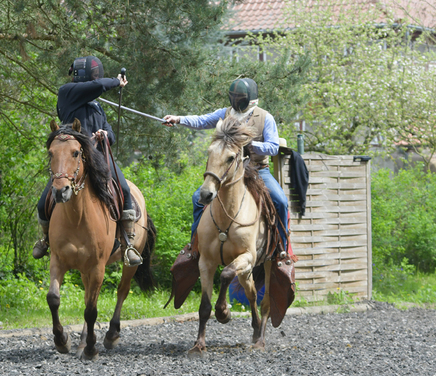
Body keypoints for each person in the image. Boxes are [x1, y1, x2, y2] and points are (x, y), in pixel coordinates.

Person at [32, 55, 142, 267]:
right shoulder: (67, 93)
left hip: (98, 158)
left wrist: (104, 135)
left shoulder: (96, 106)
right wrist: (116, 81)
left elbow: (110, 131)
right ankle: (46, 239)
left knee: (125, 190)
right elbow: (98, 85)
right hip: (72, 161)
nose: (95, 76)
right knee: (44, 200)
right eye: (93, 74)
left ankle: (127, 242)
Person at [162, 78, 289, 252]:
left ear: (249, 98)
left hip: (257, 170)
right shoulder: (226, 113)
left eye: (240, 97)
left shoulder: (265, 117)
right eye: (234, 97)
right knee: (196, 198)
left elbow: (273, 147)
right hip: (228, 171)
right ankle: (195, 245)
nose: (236, 100)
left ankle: (282, 249)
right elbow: (202, 121)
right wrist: (178, 119)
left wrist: (251, 145)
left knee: (280, 201)